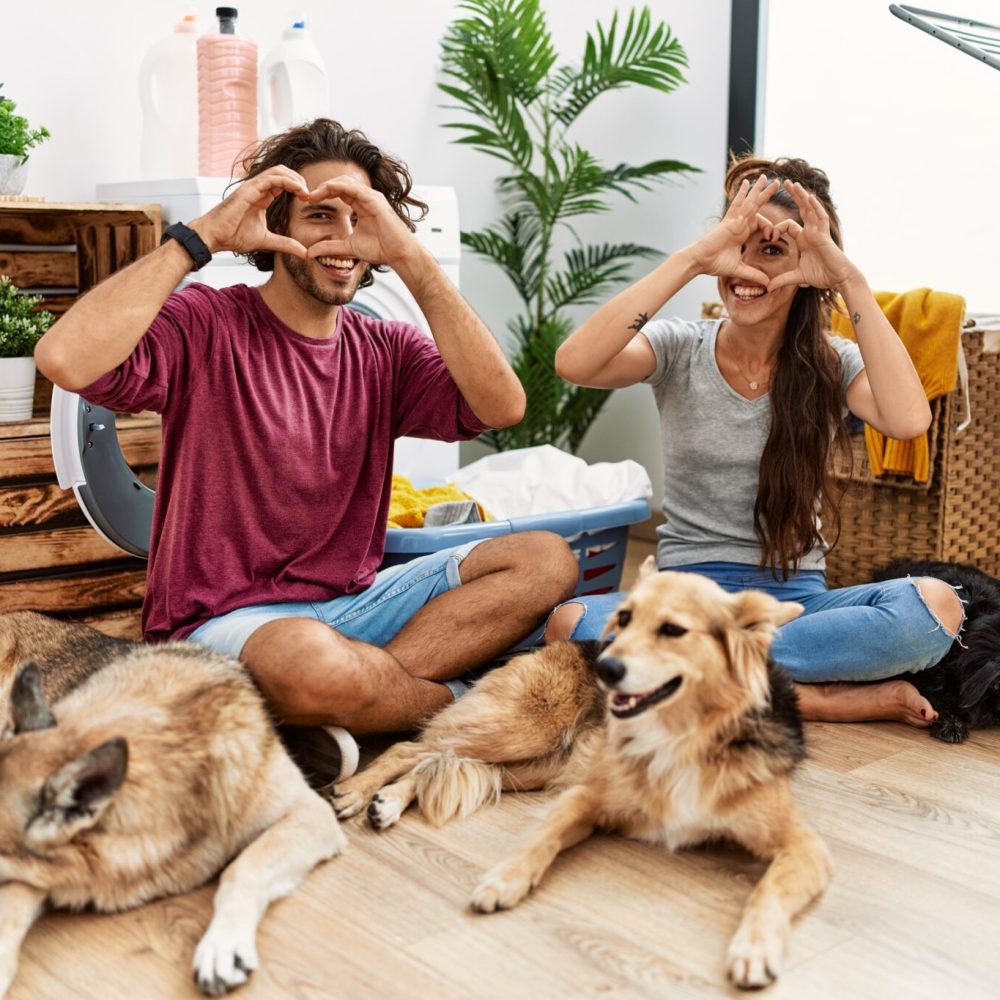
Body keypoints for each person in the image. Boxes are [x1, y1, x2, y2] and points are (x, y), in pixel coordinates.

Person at [35, 119, 580, 780]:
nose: (343, 238)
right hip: (227, 622)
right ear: (276, 226)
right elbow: (63, 359)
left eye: (363, 218)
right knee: (310, 663)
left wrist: (411, 257)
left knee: (546, 560)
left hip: (354, 606)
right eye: (321, 215)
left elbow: (504, 407)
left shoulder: (387, 350)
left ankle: (348, 707)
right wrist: (200, 237)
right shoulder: (209, 322)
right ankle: (461, 708)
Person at [546, 155, 964, 728]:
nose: (747, 268)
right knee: (571, 624)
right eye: (738, 243)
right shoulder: (677, 348)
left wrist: (849, 279)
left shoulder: (832, 362)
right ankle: (811, 699)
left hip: (795, 604)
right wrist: (694, 258)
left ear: (808, 267)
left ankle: (705, 678)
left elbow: (909, 419)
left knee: (936, 608)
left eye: (771, 251)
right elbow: (575, 362)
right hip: (684, 601)